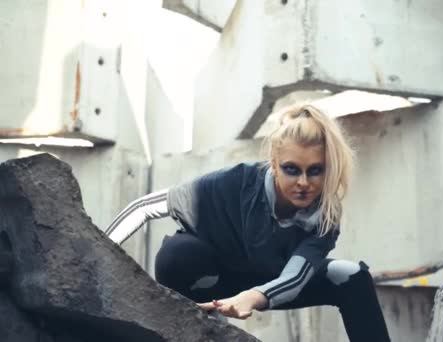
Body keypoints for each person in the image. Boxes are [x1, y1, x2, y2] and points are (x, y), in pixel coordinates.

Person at [104, 104, 390, 341]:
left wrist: (252, 298)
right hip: (217, 278)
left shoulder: (325, 214)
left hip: (273, 281)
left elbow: (295, 277)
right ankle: (192, 331)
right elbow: (144, 208)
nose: (304, 183)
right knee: (177, 255)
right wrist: (98, 251)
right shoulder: (235, 182)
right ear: (274, 164)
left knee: (351, 275)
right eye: (292, 170)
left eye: (315, 171)